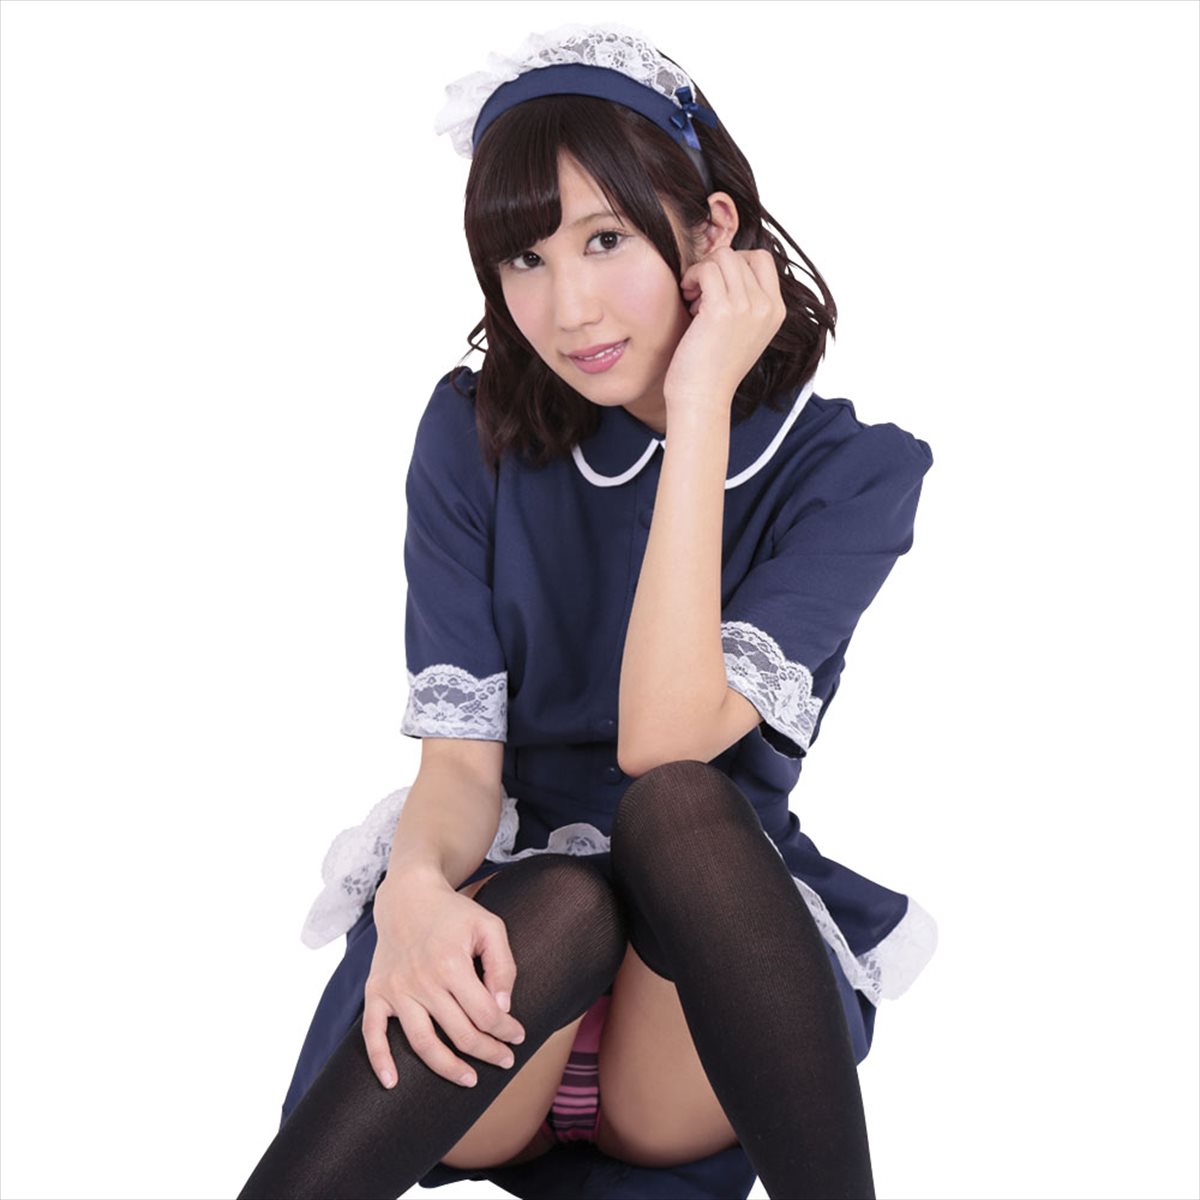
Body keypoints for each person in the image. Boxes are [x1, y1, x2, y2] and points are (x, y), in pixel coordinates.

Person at [237, 20, 938, 1200]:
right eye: (524, 259)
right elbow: (460, 768)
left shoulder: (850, 474)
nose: (567, 309)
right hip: (507, 990)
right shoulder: (470, 437)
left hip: (700, 1011)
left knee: (677, 810)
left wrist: (701, 402)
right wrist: (414, 893)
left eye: (605, 239)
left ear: (712, 233)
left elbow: (667, 744)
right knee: (564, 895)